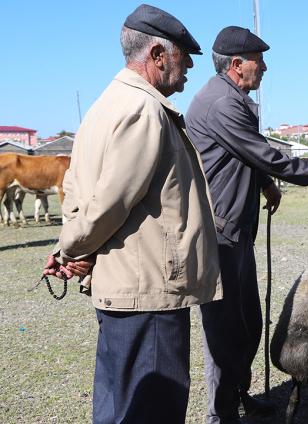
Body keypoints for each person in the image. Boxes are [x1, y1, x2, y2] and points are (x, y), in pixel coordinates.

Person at [43, 5, 220, 423]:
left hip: (125, 287)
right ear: (158, 55)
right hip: (148, 292)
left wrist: (72, 247)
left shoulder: (104, 105)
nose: (191, 65)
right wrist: (71, 250)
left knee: (118, 405)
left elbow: (76, 192)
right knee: (149, 409)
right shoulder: (143, 109)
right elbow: (111, 203)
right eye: (183, 55)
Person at [185, 26, 308, 424]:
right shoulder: (222, 103)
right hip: (219, 234)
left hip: (238, 231)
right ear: (237, 65)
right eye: (259, 61)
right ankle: (221, 415)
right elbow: (262, 152)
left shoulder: (231, 98)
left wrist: (267, 185)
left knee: (248, 322)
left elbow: (243, 157)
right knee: (223, 332)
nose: (265, 68)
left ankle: (238, 395)